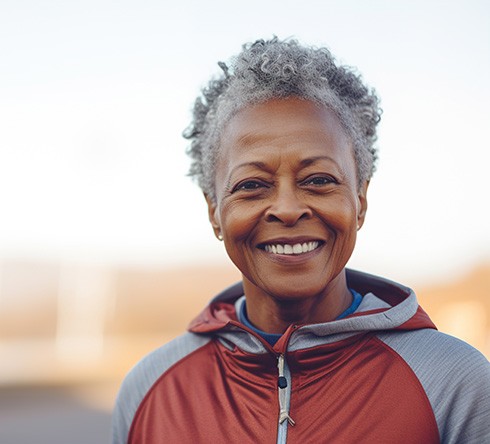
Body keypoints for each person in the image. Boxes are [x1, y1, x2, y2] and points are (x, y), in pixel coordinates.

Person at [112, 37, 490, 443]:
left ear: (360, 201)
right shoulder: (150, 392)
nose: (288, 209)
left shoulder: (454, 386)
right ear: (214, 212)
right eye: (252, 185)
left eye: (319, 180)